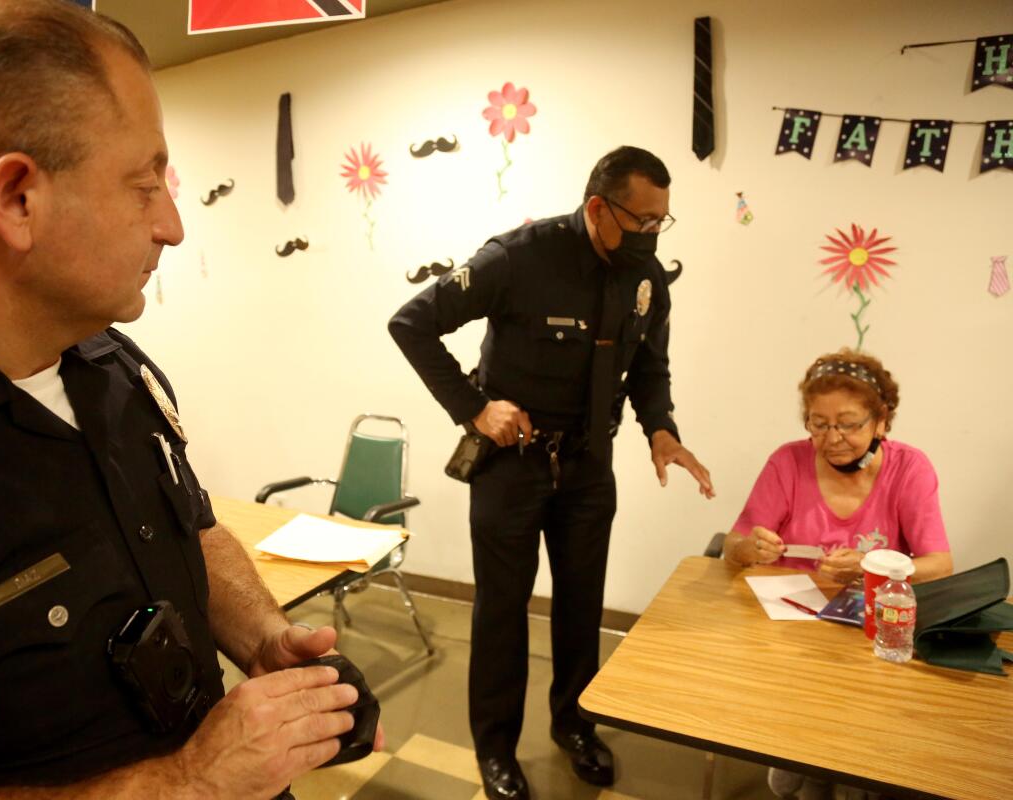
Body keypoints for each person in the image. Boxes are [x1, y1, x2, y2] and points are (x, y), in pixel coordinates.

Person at [0, 2, 374, 797]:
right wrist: (187, 783)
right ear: (17, 200)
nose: (173, 226)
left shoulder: (112, 360)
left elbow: (193, 527)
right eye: (145, 186)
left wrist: (261, 635)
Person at [389, 146, 714, 799]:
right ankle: (497, 750)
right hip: (512, 468)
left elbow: (650, 367)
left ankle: (574, 724)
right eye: (643, 220)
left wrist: (661, 428)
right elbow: (412, 323)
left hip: (591, 465)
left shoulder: (644, 274)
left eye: (662, 223)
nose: (653, 235)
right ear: (599, 207)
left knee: (579, 607)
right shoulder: (517, 258)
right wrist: (475, 409)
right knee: (503, 612)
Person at [723, 349, 952, 800]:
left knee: (856, 767)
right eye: (818, 423)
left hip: (868, 640)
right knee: (811, 769)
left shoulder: (910, 469)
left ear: (881, 421)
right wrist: (750, 548)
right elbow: (732, 546)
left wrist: (875, 565)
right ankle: (806, 761)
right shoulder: (787, 462)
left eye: (848, 424)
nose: (833, 438)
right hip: (791, 642)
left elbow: (940, 565)